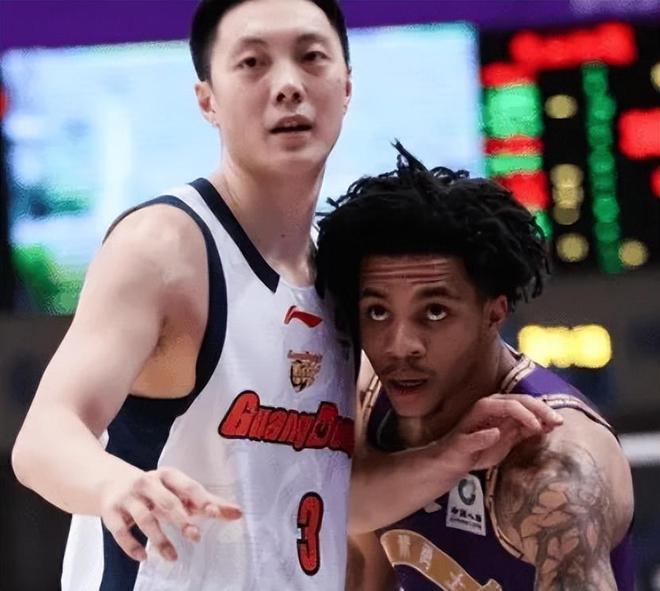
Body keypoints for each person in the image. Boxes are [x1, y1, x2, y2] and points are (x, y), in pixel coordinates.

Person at [11, 1, 562, 589]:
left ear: (346, 88)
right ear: (207, 101)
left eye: (311, 57)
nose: (288, 85)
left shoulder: (338, 278)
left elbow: (329, 499)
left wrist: (451, 454)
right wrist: (114, 484)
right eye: (253, 63)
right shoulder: (165, 247)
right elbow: (43, 438)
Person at [315, 142, 636, 590]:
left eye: (434, 312)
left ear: (494, 312)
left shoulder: (555, 469)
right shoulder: (364, 403)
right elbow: (353, 544)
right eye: (378, 312)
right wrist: (443, 459)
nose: (400, 345)